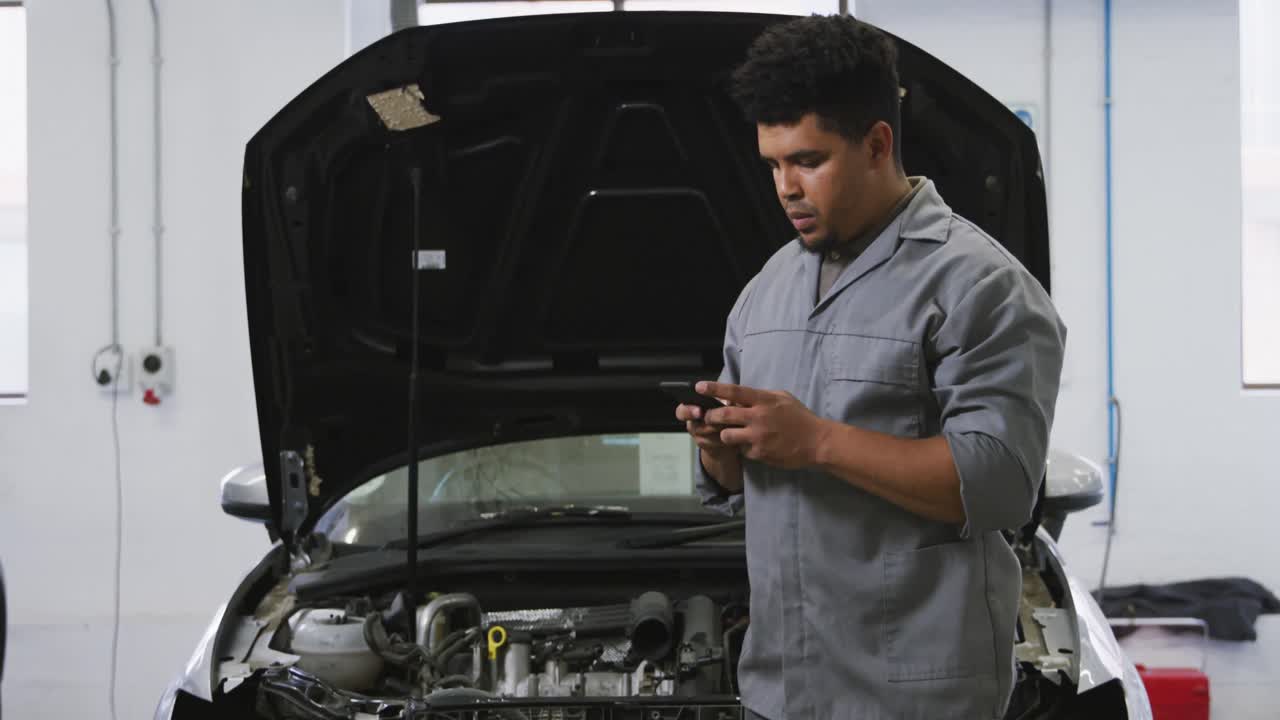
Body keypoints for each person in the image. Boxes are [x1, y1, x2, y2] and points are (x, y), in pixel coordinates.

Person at [675, 15, 1067, 720]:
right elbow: (742, 487)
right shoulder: (765, 293)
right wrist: (719, 453)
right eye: (772, 165)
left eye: (808, 160)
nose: (786, 187)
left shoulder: (979, 287)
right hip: (782, 690)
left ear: (878, 143)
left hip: (918, 700)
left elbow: (1002, 484)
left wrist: (817, 442)